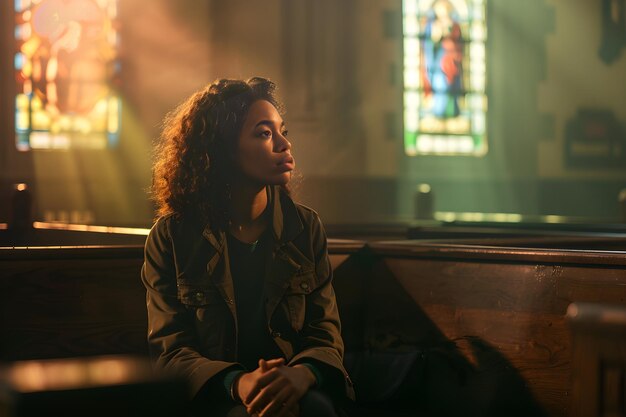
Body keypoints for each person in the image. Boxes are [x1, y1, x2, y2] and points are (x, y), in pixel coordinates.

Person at [142, 77, 354, 417]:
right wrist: (239, 384)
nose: (284, 144)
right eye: (264, 133)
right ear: (222, 148)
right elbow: (171, 351)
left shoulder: (305, 228)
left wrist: (301, 375)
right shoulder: (172, 237)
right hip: (213, 397)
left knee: (315, 410)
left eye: (282, 131)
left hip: (292, 390)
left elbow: (325, 334)